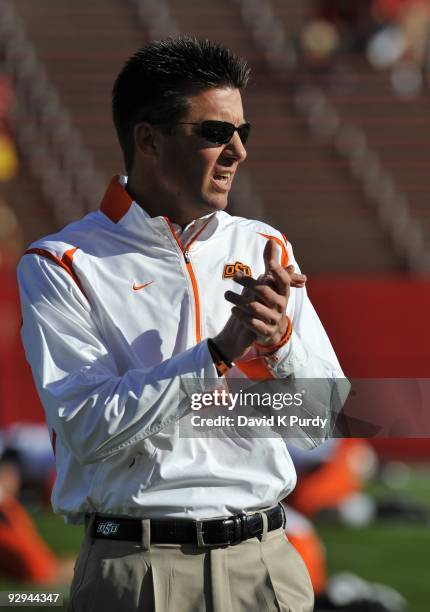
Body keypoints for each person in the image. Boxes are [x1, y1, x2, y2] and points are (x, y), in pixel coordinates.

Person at [17, 37, 347, 612]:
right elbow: (87, 430)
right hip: (135, 571)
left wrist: (283, 344)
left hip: (267, 564)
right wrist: (219, 353)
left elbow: (322, 421)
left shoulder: (264, 244)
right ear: (148, 140)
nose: (239, 151)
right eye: (216, 133)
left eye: (244, 132)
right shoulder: (62, 263)